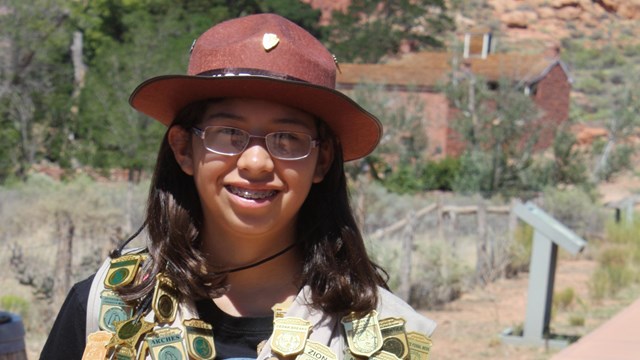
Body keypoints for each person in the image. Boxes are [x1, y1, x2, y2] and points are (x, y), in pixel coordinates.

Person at [41, 13, 436, 360]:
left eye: (288, 138)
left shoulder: (385, 335)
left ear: (323, 160)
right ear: (184, 149)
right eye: (228, 133)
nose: (256, 162)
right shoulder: (105, 307)